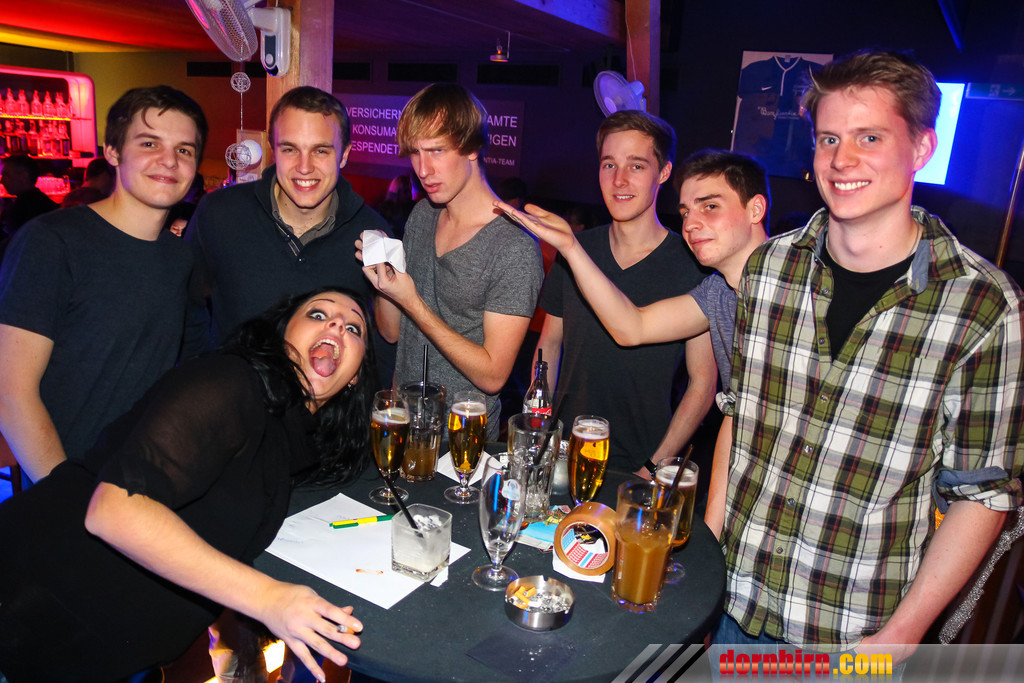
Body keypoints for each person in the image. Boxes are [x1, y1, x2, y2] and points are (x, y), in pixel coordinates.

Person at [717, 50, 1023, 656]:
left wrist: (902, 635)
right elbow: (739, 416)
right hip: (734, 605)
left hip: (855, 638)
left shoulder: (982, 305)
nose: (842, 159)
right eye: (829, 138)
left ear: (922, 148)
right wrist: (704, 556)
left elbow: (981, 493)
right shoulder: (769, 269)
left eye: (870, 137)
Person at [0, 287, 372, 682]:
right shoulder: (233, 381)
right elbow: (114, 510)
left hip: (91, 650)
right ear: (281, 333)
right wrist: (266, 597)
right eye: (318, 314)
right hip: (25, 609)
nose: (337, 325)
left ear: (354, 377)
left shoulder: (295, 439)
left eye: (354, 328)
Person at [498, 148, 770, 521]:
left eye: (710, 207)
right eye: (686, 212)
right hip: (747, 508)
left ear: (756, 209)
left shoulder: (797, 287)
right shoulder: (718, 294)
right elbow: (632, 327)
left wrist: (654, 467)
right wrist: (571, 247)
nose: (691, 223)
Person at [0, 86, 206, 483]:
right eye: (149, 143)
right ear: (112, 152)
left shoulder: (178, 257)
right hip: (64, 483)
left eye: (184, 149)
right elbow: (11, 393)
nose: (169, 160)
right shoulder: (52, 241)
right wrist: (64, 494)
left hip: (144, 477)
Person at [528, 111, 717, 475]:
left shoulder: (693, 264)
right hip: (564, 453)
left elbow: (703, 383)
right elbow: (548, 345)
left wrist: (653, 466)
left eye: (636, 165)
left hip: (640, 462)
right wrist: (540, 427)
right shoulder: (576, 249)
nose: (619, 180)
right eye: (609, 164)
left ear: (664, 173)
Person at [360, 84, 543, 439]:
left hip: (462, 442)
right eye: (415, 153)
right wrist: (383, 269)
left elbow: (493, 375)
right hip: (402, 425)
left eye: (436, 150)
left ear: (473, 147)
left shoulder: (514, 247)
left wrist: (414, 302)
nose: (423, 169)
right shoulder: (422, 215)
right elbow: (391, 331)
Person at [185, 86, 392, 355]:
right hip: (230, 382)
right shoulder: (219, 213)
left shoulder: (371, 235)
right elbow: (186, 305)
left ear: (344, 155)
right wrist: (202, 370)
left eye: (321, 151)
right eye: (290, 149)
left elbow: (384, 340)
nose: (304, 167)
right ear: (273, 151)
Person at [0, 154, 58, 240]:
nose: (2, 181)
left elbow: (11, 242)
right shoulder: (45, 202)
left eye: (6, 175)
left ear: (24, 177)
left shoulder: (20, 208)